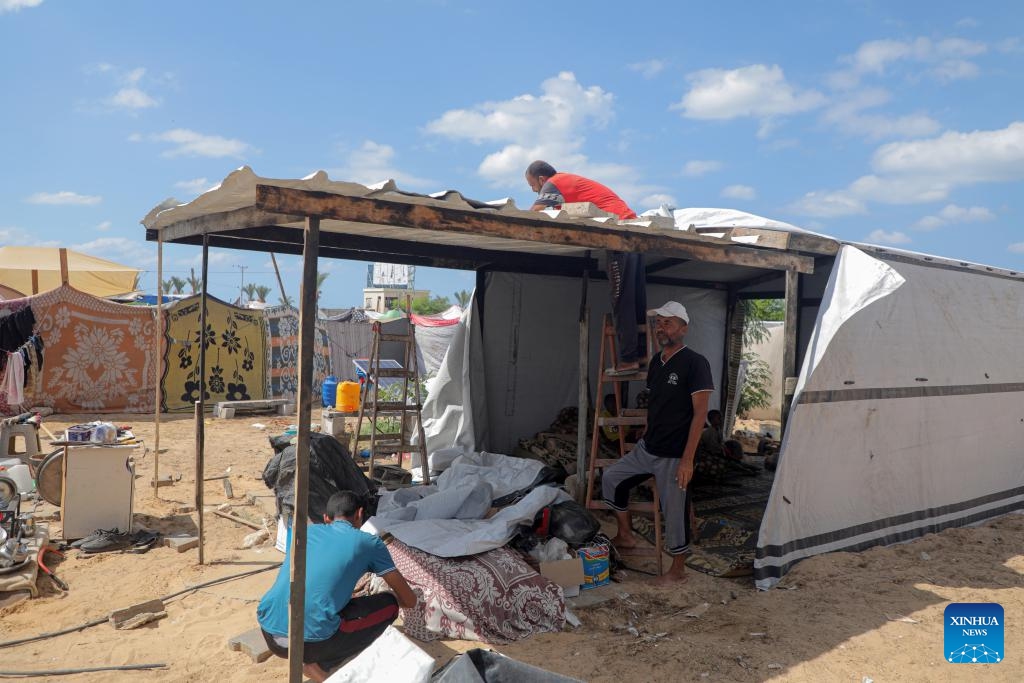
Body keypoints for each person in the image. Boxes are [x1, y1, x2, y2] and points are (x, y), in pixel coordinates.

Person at [601, 301, 714, 584]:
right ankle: (625, 534)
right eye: (658, 323)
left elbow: (700, 414)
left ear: (684, 329)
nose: (661, 328)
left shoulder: (695, 362)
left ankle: (677, 572)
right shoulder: (656, 362)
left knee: (674, 513)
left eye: (668, 323)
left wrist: (688, 460)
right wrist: (647, 429)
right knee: (611, 478)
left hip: (675, 455)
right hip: (648, 448)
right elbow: (655, 403)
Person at [257, 491, 417, 682]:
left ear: (326, 518)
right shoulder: (369, 542)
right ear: (359, 514)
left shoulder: (304, 532)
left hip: (270, 633)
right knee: (390, 605)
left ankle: (311, 658)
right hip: (313, 643)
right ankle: (319, 665)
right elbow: (409, 600)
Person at [525, 160, 646, 374]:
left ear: (542, 179)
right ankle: (642, 355)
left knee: (621, 298)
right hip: (635, 233)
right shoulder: (571, 183)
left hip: (619, 235)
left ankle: (629, 359)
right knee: (634, 297)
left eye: (533, 185)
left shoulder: (554, 182)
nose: (534, 190)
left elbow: (534, 213)